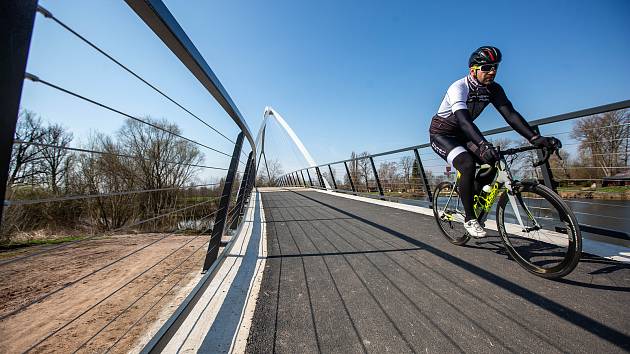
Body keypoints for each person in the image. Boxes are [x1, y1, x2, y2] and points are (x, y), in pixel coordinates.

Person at [429, 46, 560, 238]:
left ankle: (472, 192)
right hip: (443, 135)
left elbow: (511, 115)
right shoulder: (459, 87)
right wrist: (483, 144)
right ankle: (469, 218)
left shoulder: (494, 89)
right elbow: (464, 121)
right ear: (473, 70)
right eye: (487, 67)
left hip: (464, 134)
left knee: (492, 161)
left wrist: (535, 137)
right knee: (467, 163)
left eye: (495, 67)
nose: (492, 72)